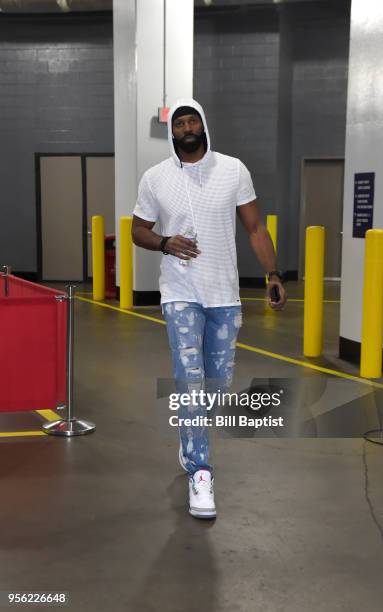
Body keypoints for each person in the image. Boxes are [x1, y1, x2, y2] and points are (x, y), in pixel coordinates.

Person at [132, 98, 286, 520]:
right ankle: (201, 472)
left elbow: (255, 227)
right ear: (173, 132)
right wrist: (165, 242)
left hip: (225, 295)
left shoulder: (233, 170)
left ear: (202, 126)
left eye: (192, 120)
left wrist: (273, 274)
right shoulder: (155, 178)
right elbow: (137, 231)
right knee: (190, 381)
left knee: (215, 385)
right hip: (180, 292)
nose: (186, 127)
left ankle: (189, 440)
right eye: (179, 122)